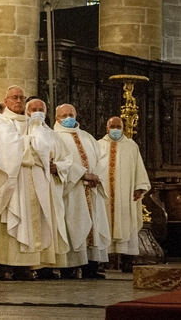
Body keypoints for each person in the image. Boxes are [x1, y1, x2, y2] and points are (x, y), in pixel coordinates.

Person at [0, 86, 54, 281]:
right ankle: (3, 265)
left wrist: (31, 141)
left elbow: (46, 148)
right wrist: (31, 144)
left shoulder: (33, 123)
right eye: (14, 98)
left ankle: (25, 266)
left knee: (31, 220)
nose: (18, 101)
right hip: (12, 178)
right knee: (10, 219)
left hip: (33, 177)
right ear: (5, 101)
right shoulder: (0, 121)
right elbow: (9, 148)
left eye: (21, 98)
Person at [54, 104, 110, 279]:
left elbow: (102, 161)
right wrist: (82, 175)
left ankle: (91, 267)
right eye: (64, 115)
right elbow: (59, 163)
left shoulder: (87, 137)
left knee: (94, 225)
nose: (68, 118)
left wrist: (96, 177)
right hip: (71, 189)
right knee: (72, 225)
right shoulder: (54, 137)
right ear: (57, 118)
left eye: (71, 114)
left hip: (92, 190)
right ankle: (69, 267)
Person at [26, 99, 72, 280]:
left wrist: (58, 167)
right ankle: (30, 264)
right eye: (34, 109)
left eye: (41, 110)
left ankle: (47, 264)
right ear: (27, 112)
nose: (37, 112)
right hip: (28, 181)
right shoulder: (22, 130)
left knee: (50, 222)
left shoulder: (53, 135)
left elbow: (67, 158)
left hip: (49, 183)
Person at [98, 116, 150, 272]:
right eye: (112, 126)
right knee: (103, 224)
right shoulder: (98, 145)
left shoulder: (131, 146)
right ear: (106, 128)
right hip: (104, 194)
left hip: (125, 195)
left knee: (126, 224)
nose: (115, 129)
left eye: (118, 126)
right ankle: (102, 261)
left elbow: (138, 168)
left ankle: (128, 261)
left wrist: (139, 187)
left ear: (123, 128)